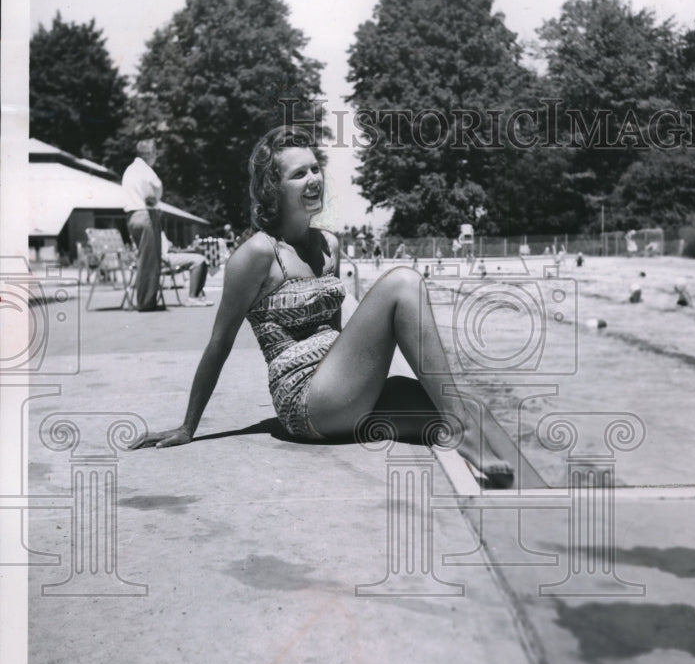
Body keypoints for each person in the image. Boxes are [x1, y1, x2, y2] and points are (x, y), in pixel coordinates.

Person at [130, 126, 514, 485]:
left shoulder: (329, 245)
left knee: (471, 408)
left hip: (344, 388)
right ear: (272, 188)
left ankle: (538, 502)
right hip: (306, 402)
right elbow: (219, 344)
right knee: (403, 283)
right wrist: (187, 426)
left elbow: (335, 333)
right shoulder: (257, 254)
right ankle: (461, 429)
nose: (313, 178)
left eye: (315, 169)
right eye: (298, 174)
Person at [122, 139, 163, 311]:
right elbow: (157, 186)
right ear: (148, 154)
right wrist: (156, 198)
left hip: (131, 217)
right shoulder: (146, 170)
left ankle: (144, 300)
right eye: (155, 152)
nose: (156, 156)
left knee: (143, 258)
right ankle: (146, 302)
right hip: (144, 215)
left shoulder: (130, 170)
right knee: (150, 261)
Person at [160, 232, 214, 306]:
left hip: (167, 256)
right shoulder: (152, 226)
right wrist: (191, 249)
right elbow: (171, 250)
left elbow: (172, 249)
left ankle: (198, 296)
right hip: (164, 258)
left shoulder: (156, 226)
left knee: (202, 259)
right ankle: (192, 297)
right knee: (199, 260)